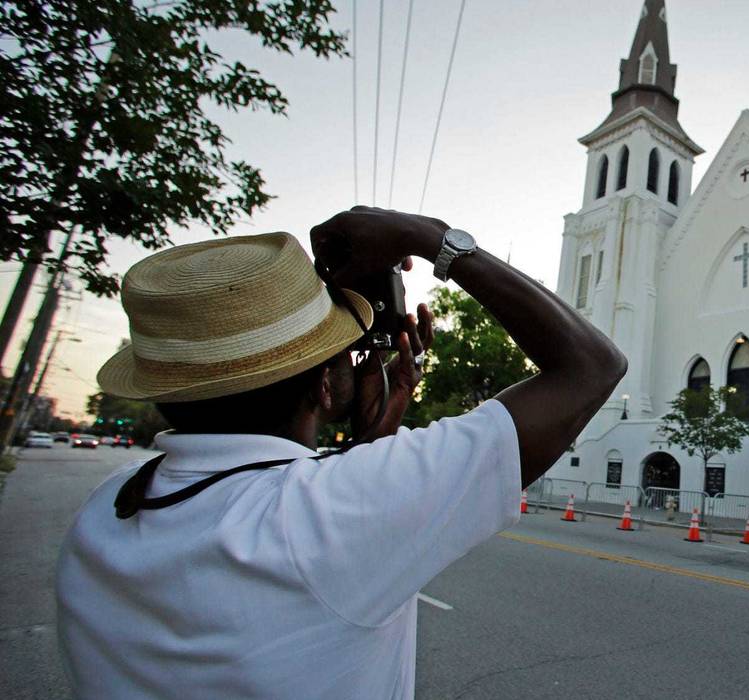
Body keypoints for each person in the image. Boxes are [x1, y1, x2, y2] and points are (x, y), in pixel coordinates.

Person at [56, 207, 626, 698]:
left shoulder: (106, 509)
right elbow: (593, 367)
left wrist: (368, 443)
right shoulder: (321, 515)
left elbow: (294, 514)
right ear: (326, 386)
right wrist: (431, 237)